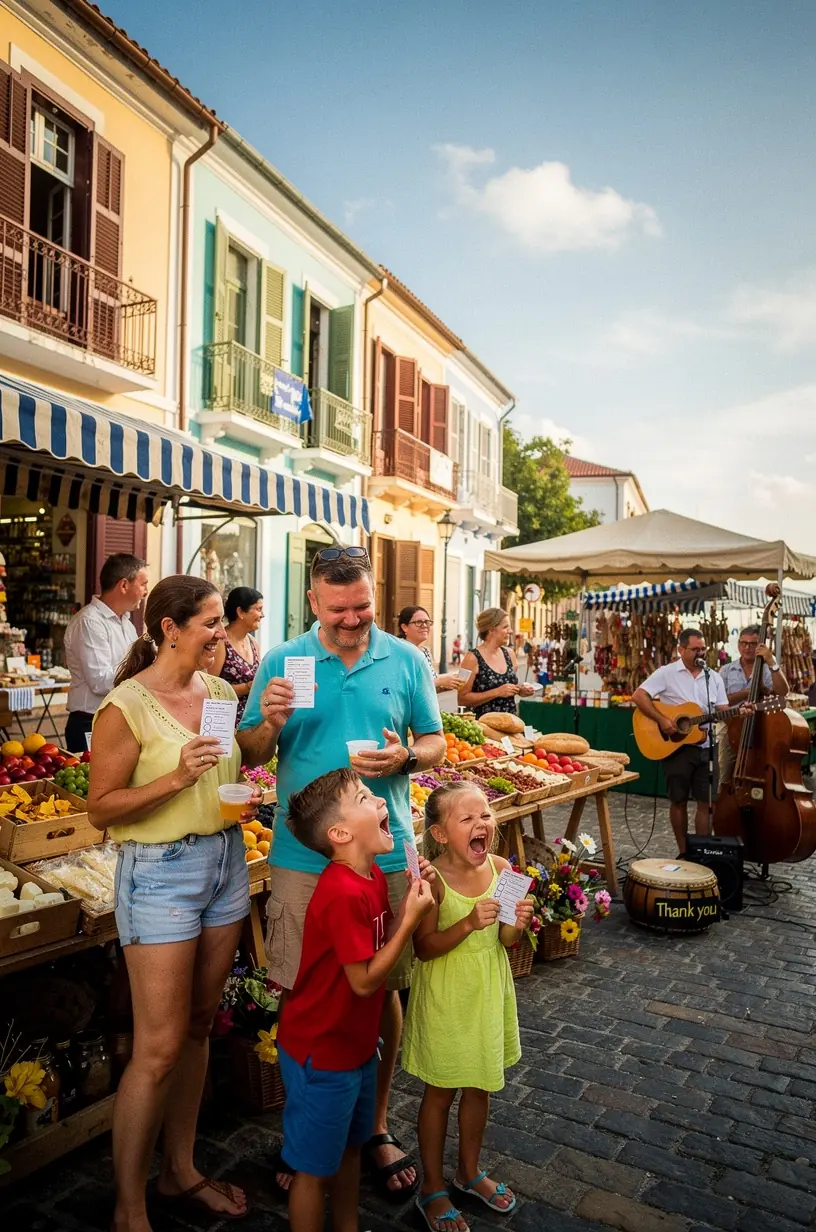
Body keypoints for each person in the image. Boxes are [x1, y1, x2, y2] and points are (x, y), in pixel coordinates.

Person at [238, 546, 446, 1199]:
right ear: (312, 603)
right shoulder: (285, 662)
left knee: (381, 988)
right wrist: (267, 722)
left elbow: (435, 739)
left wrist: (407, 755)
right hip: (303, 861)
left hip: (384, 853)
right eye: (339, 610)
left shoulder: (406, 658)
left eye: (362, 607)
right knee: (303, 987)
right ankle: (308, 1133)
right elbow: (249, 751)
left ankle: (374, 1125)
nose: (353, 620)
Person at [88, 575, 263, 1232]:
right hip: (159, 873)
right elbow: (100, 809)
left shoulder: (218, 692)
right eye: (212, 622)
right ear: (170, 628)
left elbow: (231, 767)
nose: (223, 633)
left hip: (224, 862)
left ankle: (180, 1171)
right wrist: (175, 776)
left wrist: (267, 727)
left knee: (197, 1026)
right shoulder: (125, 707)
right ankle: (129, 1209)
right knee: (157, 1047)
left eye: (222, 621)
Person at [277, 767, 434, 1232]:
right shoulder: (342, 890)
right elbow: (365, 981)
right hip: (321, 1056)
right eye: (366, 797)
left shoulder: (370, 879)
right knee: (312, 1173)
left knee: (349, 1150)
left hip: (357, 1049)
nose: (383, 802)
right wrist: (408, 921)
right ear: (340, 833)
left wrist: (416, 901)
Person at [402, 781, 533, 1232]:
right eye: (468, 818)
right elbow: (424, 949)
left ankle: (468, 1171)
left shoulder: (502, 869)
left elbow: (507, 941)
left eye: (486, 816)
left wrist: (517, 923)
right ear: (440, 834)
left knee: (481, 1085)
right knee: (440, 1092)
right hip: (446, 998)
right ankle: (432, 1186)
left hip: (487, 993)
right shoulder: (433, 882)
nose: (483, 824)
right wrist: (467, 922)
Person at [631, 628, 749, 855]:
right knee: (679, 801)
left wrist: (738, 712)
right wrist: (663, 719)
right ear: (681, 649)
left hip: (707, 747)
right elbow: (639, 696)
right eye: (695, 649)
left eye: (703, 648)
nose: (701, 653)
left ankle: (701, 853)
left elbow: (722, 709)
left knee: (707, 802)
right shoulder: (667, 673)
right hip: (677, 748)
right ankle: (684, 850)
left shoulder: (712, 677)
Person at [62, 553, 149, 751]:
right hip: (90, 720)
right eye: (143, 584)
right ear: (124, 585)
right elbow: (100, 680)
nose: (146, 591)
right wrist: (144, 676)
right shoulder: (90, 621)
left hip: (118, 717)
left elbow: (134, 663)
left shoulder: (125, 622)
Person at [717, 625, 789, 785]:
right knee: (725, 773)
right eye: (744, 643)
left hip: (760, 726)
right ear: (738, 644)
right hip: (730, 725)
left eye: (752, 644)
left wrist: (772, 662)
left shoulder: (767, 669)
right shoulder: (726, 670)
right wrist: (746, 693)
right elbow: (719, 701)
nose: (747, 647)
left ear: (760, 646)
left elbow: (783, 693)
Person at [458, 609, 534, 721]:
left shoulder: (510, 654)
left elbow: (507, 688)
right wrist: (497, 692)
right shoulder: (471, 659)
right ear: (491, 629)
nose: (511, 631)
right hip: (483, 729)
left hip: (510, 725)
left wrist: (520, 690)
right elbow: (462, 699)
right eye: (505, 627)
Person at [211, 586, 264, 724]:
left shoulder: (254, 643)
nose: (262, 615)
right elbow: (210, 689)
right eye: (258, 609)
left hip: (251, 723)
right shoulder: (220, 644)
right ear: (240, 612)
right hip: (226, 724)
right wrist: (247, 687)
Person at [397, 605, 461, 693]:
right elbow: (403, 686)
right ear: (405, 627)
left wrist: (444, 686)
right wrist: (440, 681)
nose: (424, 626)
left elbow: (426, 689)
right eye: (418, 622)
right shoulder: (399, 650)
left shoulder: (425, 651)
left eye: (427, 622)